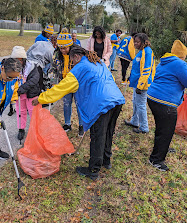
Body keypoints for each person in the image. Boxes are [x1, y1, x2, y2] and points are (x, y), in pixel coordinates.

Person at [32, 46, 125, 180]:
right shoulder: (97, 62)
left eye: (72, 60)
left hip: (102, 103)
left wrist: (41, 98)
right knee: (108, 132)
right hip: (116, 99)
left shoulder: (80, 68)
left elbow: (61, 88)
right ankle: (106, 161)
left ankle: (93, 170)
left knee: (98, 136)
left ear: (76, 57)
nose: (72, 63)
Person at [147, 40, 187, 171]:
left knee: (161, 127)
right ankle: (156, 160)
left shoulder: (165, 61)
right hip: (165, 101)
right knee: (167, 129)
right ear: (183, 54)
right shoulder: (180, 64)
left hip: (153, 97)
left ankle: (163, 147)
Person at [51, 28, 84, 136]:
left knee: (79, 105)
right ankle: (67, 123)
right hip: (64, 83)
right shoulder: (56, 54)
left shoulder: (78, 54)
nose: (62, 50)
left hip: (77, 83)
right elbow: (53, 69)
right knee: (66, 103)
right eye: (60, 48)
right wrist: (53, 81)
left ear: (70, 45)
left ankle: (82, 125)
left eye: (64, 48)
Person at [125, 33, 155, 134]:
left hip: (142, 84)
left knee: (141, 105)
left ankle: (144, 127)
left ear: (143, 42)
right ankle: (135, 121)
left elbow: (146, 70)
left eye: (137, 42)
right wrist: (131, 77)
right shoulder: (141, 51)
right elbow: (137, 67)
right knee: (135, 102)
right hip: (136, 82)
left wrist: (140, 86)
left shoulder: (147, 52)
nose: (135, 44)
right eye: (134, 42)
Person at [10, 46, 41, 141]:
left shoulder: (32, 66)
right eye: (16, 60)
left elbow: (34, 80)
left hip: (31, 93)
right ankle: (21, 129)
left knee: (34, 112)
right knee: (20, 111)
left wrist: (22, 88)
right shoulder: (11, 67)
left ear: (24, 59)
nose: (18, 63)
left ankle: (36, 130)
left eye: (20, 60)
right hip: (19, 95)